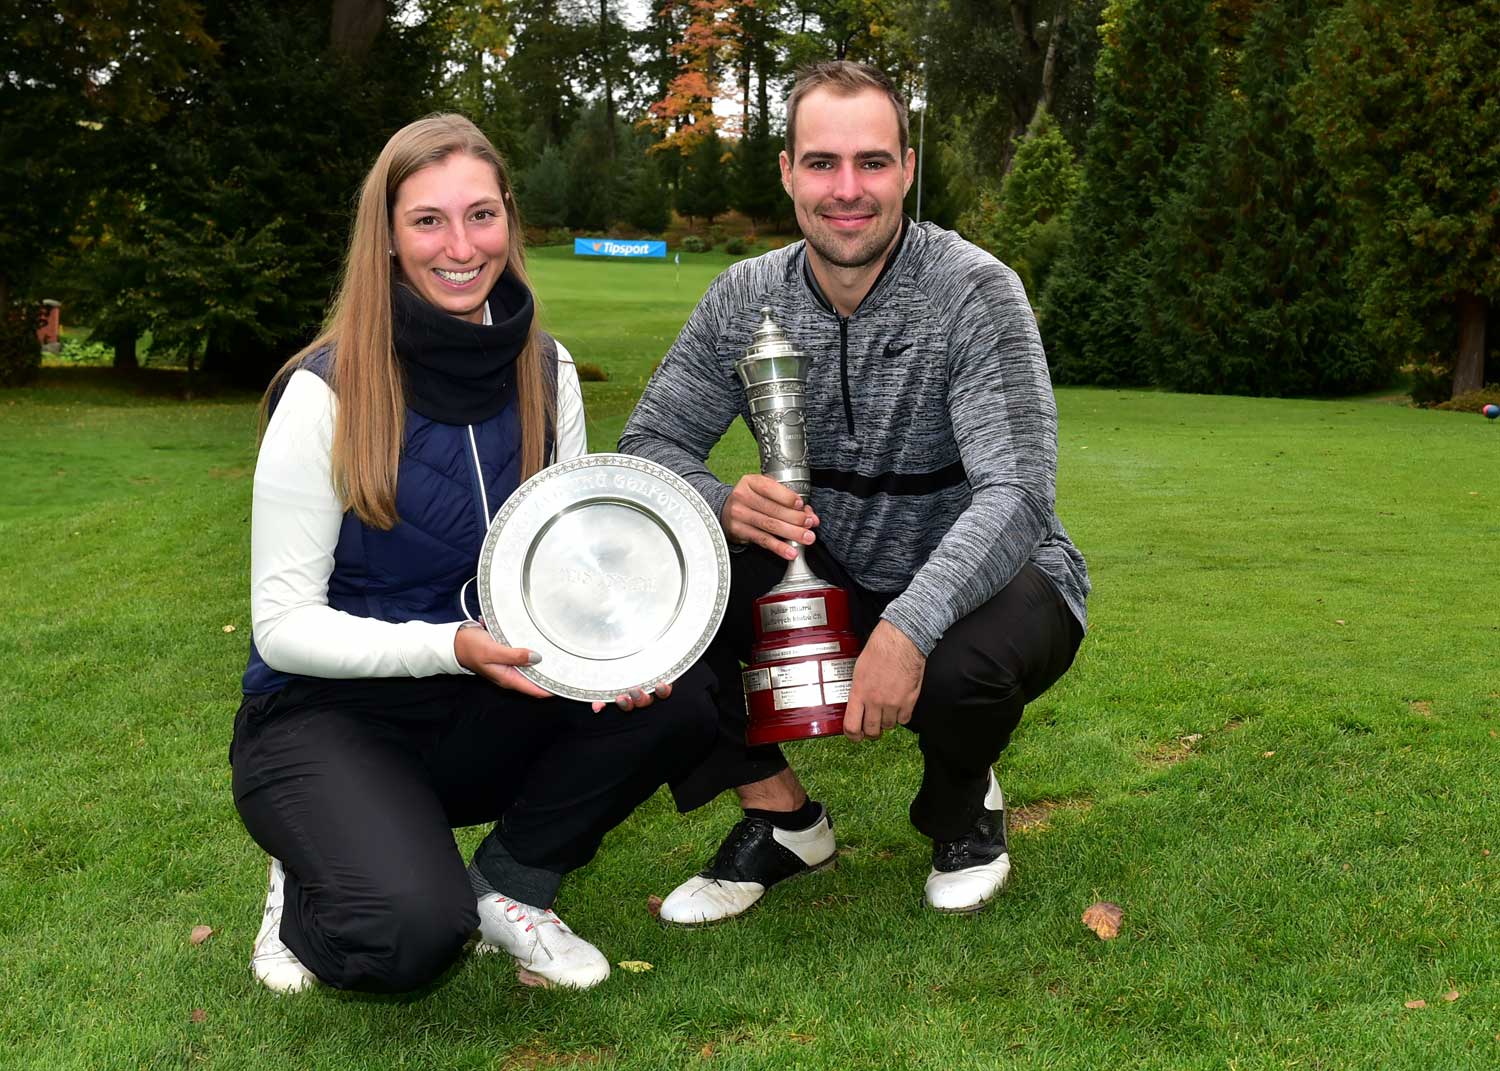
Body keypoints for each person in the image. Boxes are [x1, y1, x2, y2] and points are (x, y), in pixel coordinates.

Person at [231, 113, 716, 994]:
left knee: (680, 686)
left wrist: (619, 647)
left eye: (481, 215)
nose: (461, 246)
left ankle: (511, 884)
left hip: (489, 698)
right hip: (332, 715)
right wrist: (450, 645)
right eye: (429, 220)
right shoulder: (322, 391)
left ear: (509, 222)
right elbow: (282, 628)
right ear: (387, 237)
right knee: (412, 940)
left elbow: (568, 565)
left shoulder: (547, 370)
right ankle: (310, 868)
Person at [618, 62, 1090, 922]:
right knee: (659, 596)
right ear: (788, 173)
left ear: (907, 169)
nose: (847, 189)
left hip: (990, 579)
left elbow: (1018, 491)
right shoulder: (743, 296)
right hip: (826, 561)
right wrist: (719, 500)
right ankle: (784, 820)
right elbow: (648, 445)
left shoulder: (973, 290)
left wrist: (910, 626)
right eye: (822, 163)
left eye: (871, 162)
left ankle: (962, 808)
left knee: (962, 670)